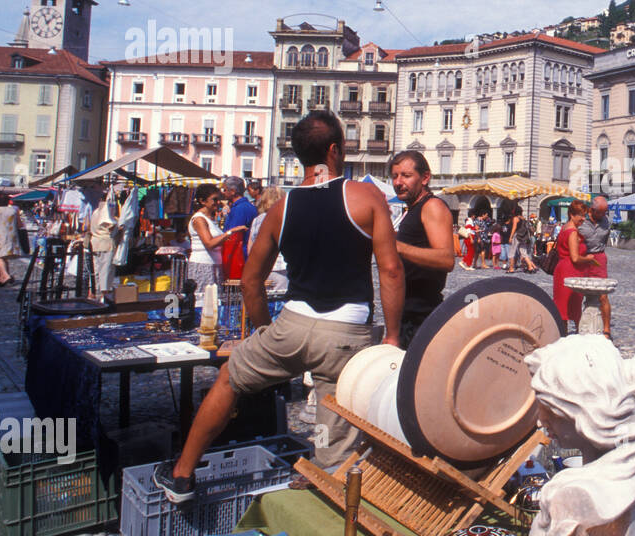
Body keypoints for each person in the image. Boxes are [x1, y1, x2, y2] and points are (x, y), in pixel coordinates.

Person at [155, 111, 404, 501]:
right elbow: (390, 271)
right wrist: (390, 335)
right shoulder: (365, 197)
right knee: (335, 427)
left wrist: (261, 331)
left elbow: (251, 281)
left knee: (229, 379)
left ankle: (182, 476)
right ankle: (327, 505)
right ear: (335, 150)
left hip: (292, 323)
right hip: (346, 331)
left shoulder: (280, 210)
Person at [390, 150, 455, 346]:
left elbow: (446, 259)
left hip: (421, 317)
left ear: (425, 177)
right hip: (408, 314)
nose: (398, 182)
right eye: (394, 176)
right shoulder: (412, 209)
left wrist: (396, 246)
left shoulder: (432, 206)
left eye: (406, 176)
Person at [186, 185, 245, 291]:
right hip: (203, 265)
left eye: (219, 199)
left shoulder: (211, 219)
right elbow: (209, 243)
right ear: (202, 201)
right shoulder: (199, 219)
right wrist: (230, 232)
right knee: (203, 300)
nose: (218, 202)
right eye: (214, 199)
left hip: (215, 265)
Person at [552, 199, 601, 327]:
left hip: (562, 269)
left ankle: (562, 336)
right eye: (581, 215)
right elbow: (575, 258)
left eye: (584, 215)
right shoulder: (573, 232)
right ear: (572, 215)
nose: (583, 219)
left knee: (563, 308)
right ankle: (578, 336)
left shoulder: (564, 228)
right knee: (573, 309)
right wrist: (589, 259)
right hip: (570, 271)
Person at [576, 195, 613, 337]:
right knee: (579, 294)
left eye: (605, 212)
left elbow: (606, 238)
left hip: (599, 259)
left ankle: (607, 329)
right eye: (600, 213)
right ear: (592, 210)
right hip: (583, 258)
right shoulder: (582, 221)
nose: (603, 215)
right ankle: (581, 325)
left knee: (603, 295)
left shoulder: (606, 222)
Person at [247, 186, 289, 293]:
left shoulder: (257, 219)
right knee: (279, 298)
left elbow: (250, 246)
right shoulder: (284, 218)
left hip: (261, 266)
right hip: (280, 266)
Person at [219, 175, 258, 280]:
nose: (223, 192)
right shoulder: (247, 207)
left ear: (232, 191)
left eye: (224, 189)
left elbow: (233, 238)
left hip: (239, 258)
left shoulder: (240, 209)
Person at [89, 197, 119, 299]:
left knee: (95, 270)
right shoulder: (106, 215)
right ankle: (104, 296)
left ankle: (92, 293)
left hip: (94, 244)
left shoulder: (95, 212)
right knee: (106, 271)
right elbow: (112, 228)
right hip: (106, 244)